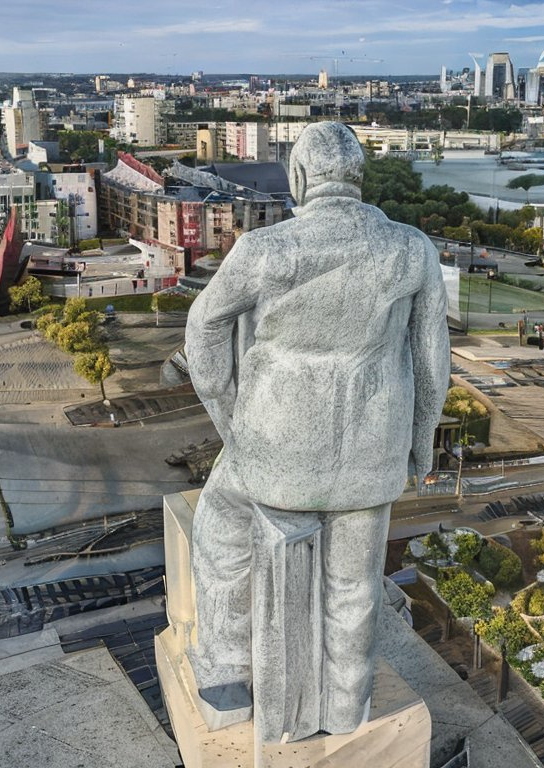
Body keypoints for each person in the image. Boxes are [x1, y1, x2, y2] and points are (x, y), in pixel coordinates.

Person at [184, 122, 450, 737]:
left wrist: (229, 416)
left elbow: (203, 330)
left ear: (299, 179)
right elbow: (434, 364)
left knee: (223, 533)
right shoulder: (410, 250)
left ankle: (230, 673)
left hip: (272, 449)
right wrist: (418, 444)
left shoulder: (265, 250)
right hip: (371, 452)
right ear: (358, 180)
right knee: (355, 588)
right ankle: (344, 712)